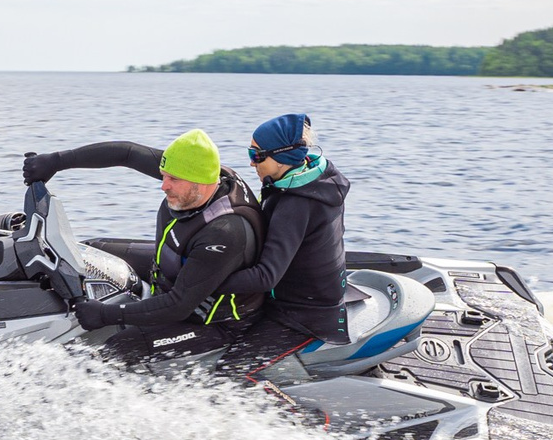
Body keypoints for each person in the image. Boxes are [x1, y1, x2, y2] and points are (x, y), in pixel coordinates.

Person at [20, 128, 266, 367]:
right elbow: (126, 154)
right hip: (174, 274)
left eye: (173, 180)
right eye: (164, 175)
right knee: (90, 252)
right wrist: (55, 161)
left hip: (211, 322)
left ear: (199, 184)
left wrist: (105, 315)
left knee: (116, 351)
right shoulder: (196, 169)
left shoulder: (224, 232)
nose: (163, 185)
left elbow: (178, 305)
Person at [211, 113, 353, 372]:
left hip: (303, 315)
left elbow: (266, 277)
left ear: (283, 156)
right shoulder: (310, 177)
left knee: (228, 373)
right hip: (300, 297)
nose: (252, 163)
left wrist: (202, 282)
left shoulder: (295, 204)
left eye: (257, 155)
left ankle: (300, 415)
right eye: (249, 153)